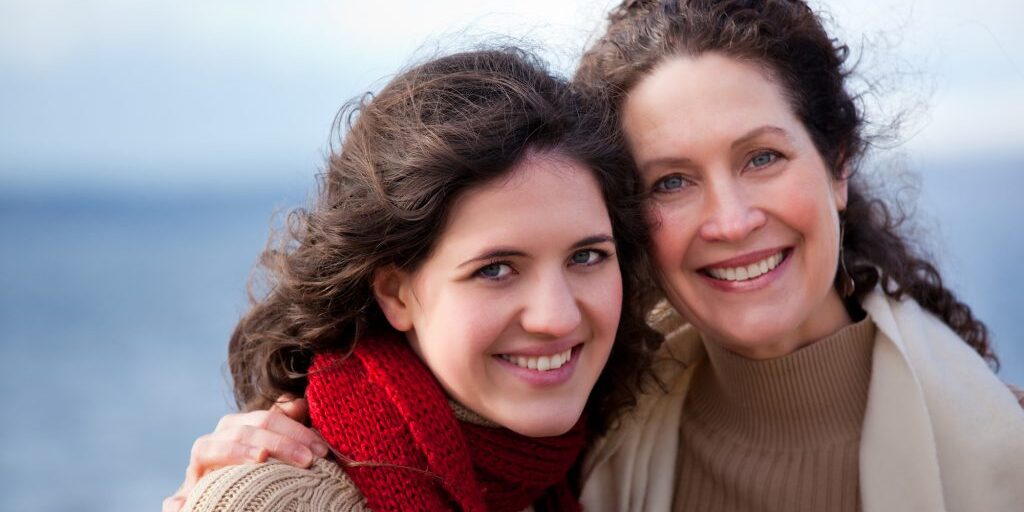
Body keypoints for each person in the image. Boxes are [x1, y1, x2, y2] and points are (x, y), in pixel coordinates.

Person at [168, 1, 1024, 511]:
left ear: (837, 164)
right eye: (670, 181)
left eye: (762, 157)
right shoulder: (593, 432)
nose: (729, 220)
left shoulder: (998, 449)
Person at [172, 47, 662, 512]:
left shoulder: (572, 466)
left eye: (587, 256)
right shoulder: (283, 497)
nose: (557, 317)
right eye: (495, 269)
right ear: (395, 293)